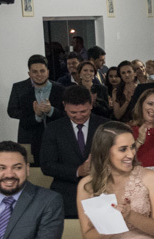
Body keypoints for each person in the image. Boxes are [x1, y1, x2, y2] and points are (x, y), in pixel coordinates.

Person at [40, 85, 108, 218]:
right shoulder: (53, 129)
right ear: (64, 106)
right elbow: (47, 165)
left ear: (91, 105)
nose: (78, 116)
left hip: (101, 194)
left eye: (83, 111)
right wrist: (77, 171)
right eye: (73, 112)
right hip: (66, 196)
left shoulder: (105, 126)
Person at [7, 54, 66, 164]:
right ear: (29, 74)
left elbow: (68, 114)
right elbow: (19, 117)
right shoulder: (25, 94)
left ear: (48, 72)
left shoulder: (61, 90)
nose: (39, 75)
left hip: (59, 140)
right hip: (33, 141)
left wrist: (51, 110)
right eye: (35, 72)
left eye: (42, 71)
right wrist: (36, 115)